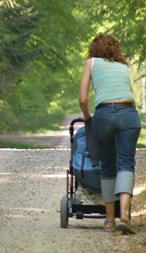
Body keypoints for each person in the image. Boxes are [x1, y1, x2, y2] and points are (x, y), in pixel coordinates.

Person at [78, 34, 141, 234]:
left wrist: (88, 117)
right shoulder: (124, 66)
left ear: (93, 48)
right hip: (128, 114)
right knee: (126, 164)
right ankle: (124, 214)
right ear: (116, 49)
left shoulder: (91, 62)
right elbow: (129, 93)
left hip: (104, 115)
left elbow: (82, 98)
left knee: (107, 164)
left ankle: (108, 220)